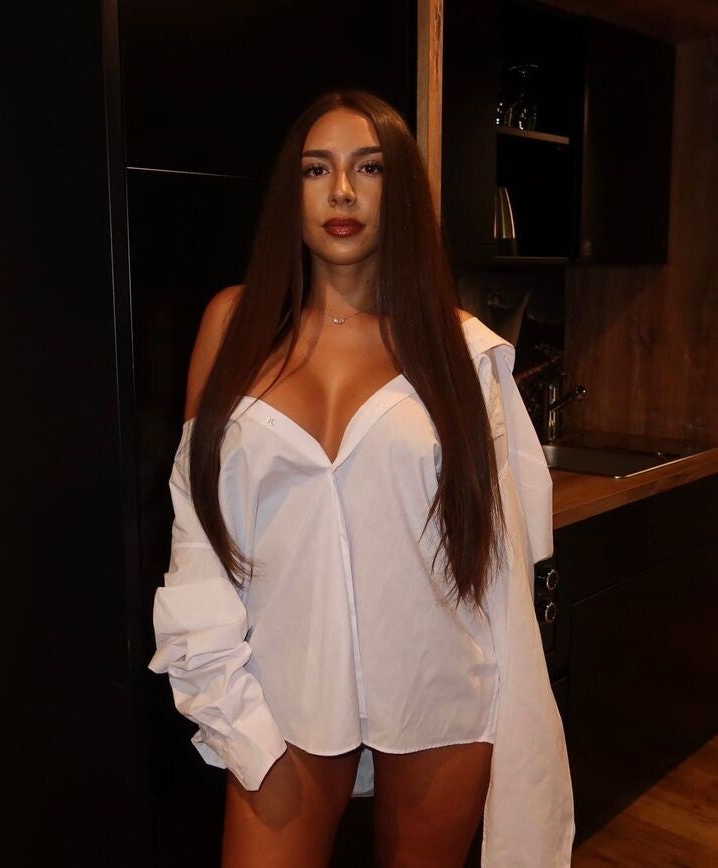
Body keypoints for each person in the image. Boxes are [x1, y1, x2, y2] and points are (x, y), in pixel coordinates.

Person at [148, 89, 575, 867]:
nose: (341, 191)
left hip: (437, 683)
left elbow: (503, 564)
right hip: (283, 681)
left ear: (400, 191)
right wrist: (222, 693)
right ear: (292, 193)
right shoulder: (235, 325)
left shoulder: (460, 349)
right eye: (317, 170)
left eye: (368, 168)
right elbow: (196, 530)